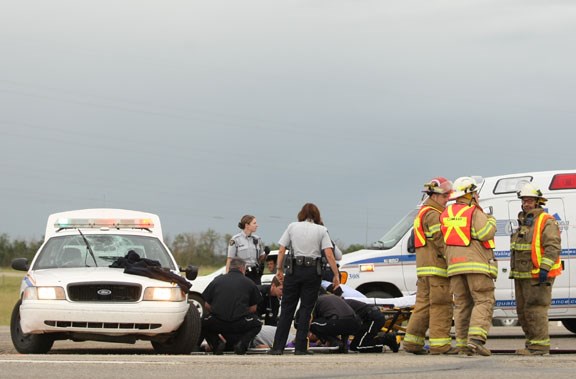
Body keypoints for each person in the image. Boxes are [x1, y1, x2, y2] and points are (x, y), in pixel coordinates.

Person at [268, 203, 340, 355]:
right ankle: (300, 348)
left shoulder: (292, 227)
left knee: (287, 309)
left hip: (294, 271)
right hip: (312, 272)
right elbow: (329, 254)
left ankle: (277, 347)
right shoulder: (322, 230)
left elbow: (282, 249)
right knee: (306, 310)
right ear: (317, 215)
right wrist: (336, 274)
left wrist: (279, 269)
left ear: (301, 214)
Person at [440, 176, 497, 356]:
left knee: (462, 305)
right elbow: (485, 233)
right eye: (475, 193)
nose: (477, 196)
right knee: (483, 300)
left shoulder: (446, 213)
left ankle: (463, 344)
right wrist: (491, 220)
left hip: (454, 267)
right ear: (470, 194)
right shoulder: (473, 212)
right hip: (476, 265)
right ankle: (476, 340)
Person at [403, 177, 457, 355]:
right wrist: (454, 259)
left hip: (425, 269)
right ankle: (440, 345)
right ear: (434, 196)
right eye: (445, 196)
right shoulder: (434, 214)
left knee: (423, 306)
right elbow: (441, 241)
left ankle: (412, 343)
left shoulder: (423, 212)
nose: (448, 199)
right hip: (437, 269)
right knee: (441, 306)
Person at [510, 182, 562, 355]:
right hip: (522, 275)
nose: (526, 203)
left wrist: (544, 269)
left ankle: (539, 347)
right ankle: (532, 344)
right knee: (523, 311)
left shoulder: (546, 221)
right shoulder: (525, 222)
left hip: (538, 274)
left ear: (538, 202)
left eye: (530, 200)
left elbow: (552, 246)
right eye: (524, 200)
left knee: (536, 310)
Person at [202, 257, 262, 355]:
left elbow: (207, 305)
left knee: (202, 322)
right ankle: (241, 344)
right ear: (242, 268)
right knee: (257, 323)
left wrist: (218, 313)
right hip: (240, 323)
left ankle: (216, 344)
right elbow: (253, 308)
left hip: (218, 322)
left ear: (229, 268)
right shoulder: (249, 283)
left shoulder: (217, 281)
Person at [227, 215, 266, 284]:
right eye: (254, 223)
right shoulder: (235, 239)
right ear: (247, 225)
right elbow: (230, 259)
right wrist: (227, 276)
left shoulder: (257, 239)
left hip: (255, 274)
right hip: (241, 273)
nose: (257, 225)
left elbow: (261, 258)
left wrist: (265, 254)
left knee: (256, 293)